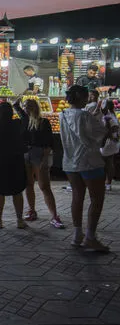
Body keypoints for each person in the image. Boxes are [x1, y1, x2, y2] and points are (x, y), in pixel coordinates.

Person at [59, 85, 109, 252]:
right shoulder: (85, 115)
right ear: (81, 97)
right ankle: (90, 237)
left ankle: (77, 234)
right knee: (97, 199)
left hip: (70, 161)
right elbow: (97, 134)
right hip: (88, 161)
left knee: (77, 197)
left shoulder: (63, 114)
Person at [13, 98, 64, 229]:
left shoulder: (44, 122)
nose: (26, 108)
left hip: (38, 154)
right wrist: (19, 99)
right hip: (25, 154)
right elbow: (16, 106)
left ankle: (54, 216)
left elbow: (49, 143)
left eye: (29, 106)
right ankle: (32, 210)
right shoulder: (24, 120)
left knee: (44, 186)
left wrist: (45, 159)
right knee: (28, 184)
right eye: (25, 106)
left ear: (35, 107)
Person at [0, 102, 28, 229]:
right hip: (16, 162)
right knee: (17, 191)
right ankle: (19, 220)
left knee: (0, 191)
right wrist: (17, 107)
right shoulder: (16, 125)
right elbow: (26, 119)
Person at [101, 100, 119, 191]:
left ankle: (107, 183)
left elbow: (113, 128)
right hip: (111, 142)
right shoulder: (112, 115)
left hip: (108, 142)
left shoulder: (108, 116)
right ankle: (107, 183)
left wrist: (110, 136)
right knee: (109, 162)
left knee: (106, 162)